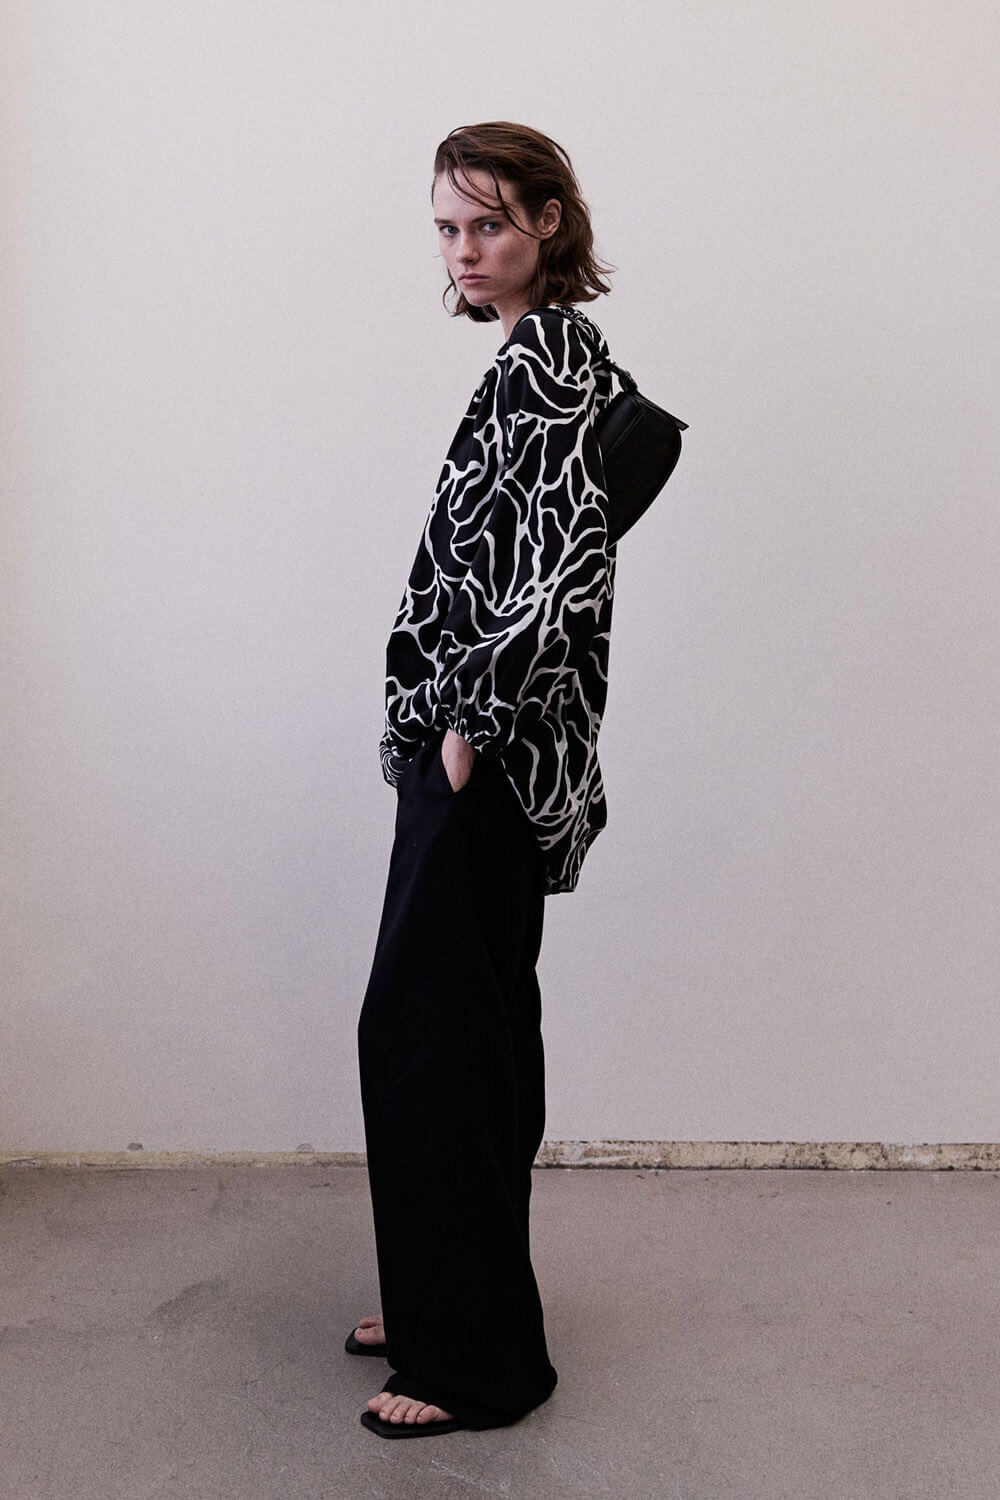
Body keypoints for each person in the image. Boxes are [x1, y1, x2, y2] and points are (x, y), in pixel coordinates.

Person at [353, 121, 619, 1438]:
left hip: (486, 753)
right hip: (477, 748)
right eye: (449, 228)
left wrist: (467, 726)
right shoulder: (534, 356)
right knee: (455, 1036)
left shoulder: (553, 361)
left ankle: (476, 1366)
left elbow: (562, 569)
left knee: (437, 1047)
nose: (463, 250)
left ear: (547, 224)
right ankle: (438, 1304)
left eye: (490, 225)